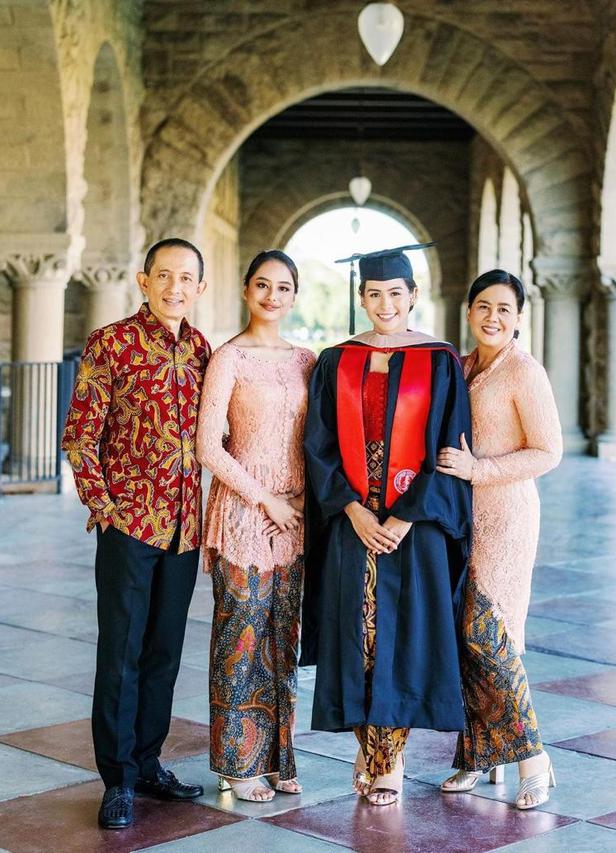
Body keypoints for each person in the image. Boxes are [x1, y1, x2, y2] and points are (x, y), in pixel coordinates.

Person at [301, 244, 473, 806]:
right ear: (361, 298)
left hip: (412, 522)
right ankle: (365, 743)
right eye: (373, 295)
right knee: (359, 635)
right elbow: (319, 445)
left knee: (401, 638)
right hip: (352, 518)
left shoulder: (439, 360)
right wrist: (350, 507)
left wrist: (404, 516)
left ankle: (389, 758)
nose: (384, 304)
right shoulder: (337, 359)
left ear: (412, 295)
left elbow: (450, 447)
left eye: (395, 293)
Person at [62, 238, 210, 829]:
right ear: (143, 280)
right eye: (164, 275)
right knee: (120, 653)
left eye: (187, 278)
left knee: (164, 653)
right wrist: (105, 508)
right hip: (129, 523)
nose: (175, 287)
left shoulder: (201, 349)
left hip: (183, 528)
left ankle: (148, 763)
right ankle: (118, 778)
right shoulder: (112, 342)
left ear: (200, 288)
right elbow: (80, 434)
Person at [438, 269, 562, 810]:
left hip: (506, 517)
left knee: (489, 634)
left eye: (505, 309)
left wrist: (475, 470)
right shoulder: (462, 366)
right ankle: (477, 754)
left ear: (518, 318)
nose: (493, 317)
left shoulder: (524, 372)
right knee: (464, 639)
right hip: (461, 520)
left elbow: (547, 452)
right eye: (484, 306)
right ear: (469, 311)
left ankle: (534, 760)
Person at [196, 250, 316, 803]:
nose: (273, 296)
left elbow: (317, 441)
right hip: (245, 510)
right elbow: (208, 448)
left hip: (294, 517)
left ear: (295, 296)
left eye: (283, 287)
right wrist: (266, 499)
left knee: (281, 641)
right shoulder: (229, 358)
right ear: (246, 290)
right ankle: (237, 763)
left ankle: (277, 757)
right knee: (240, 637)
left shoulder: (306, 361)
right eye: (263, 285)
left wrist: (299, 501)